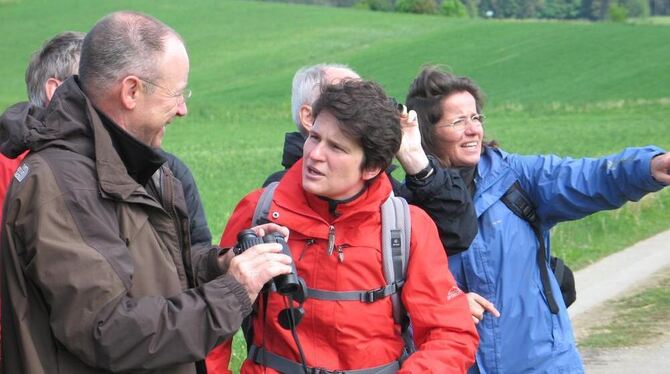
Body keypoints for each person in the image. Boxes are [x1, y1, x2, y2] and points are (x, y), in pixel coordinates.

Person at [0, 11, 293, 374]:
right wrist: (233, 292)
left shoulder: (133, 159)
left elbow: (157, 275)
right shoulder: (62, 183)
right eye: (177, 92)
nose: (183, 109)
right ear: (131, 91)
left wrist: (223, 264)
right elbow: (107, 330)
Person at [404, 66, 670, 373]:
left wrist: (648, 167)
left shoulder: (517, 179)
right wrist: (445, 305)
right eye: (459, 121)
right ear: (427, 131)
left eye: (476, 118)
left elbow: (587, 177)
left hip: (542, 362)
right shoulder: (405, 205)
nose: (474, 129)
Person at [209, 80, 479, 373]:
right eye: (315, 137)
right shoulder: (259, 211)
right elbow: (213, 321)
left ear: (372, 167)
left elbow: (451, 333)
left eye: (336, 147)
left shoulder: (407, 227)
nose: (314, 154)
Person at [264, 63, 477, 253]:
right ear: (309, 117)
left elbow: (455, 235)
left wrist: (415, 160)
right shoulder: (276, 196)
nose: (361, 105)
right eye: (345, 97)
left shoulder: (382, 191)